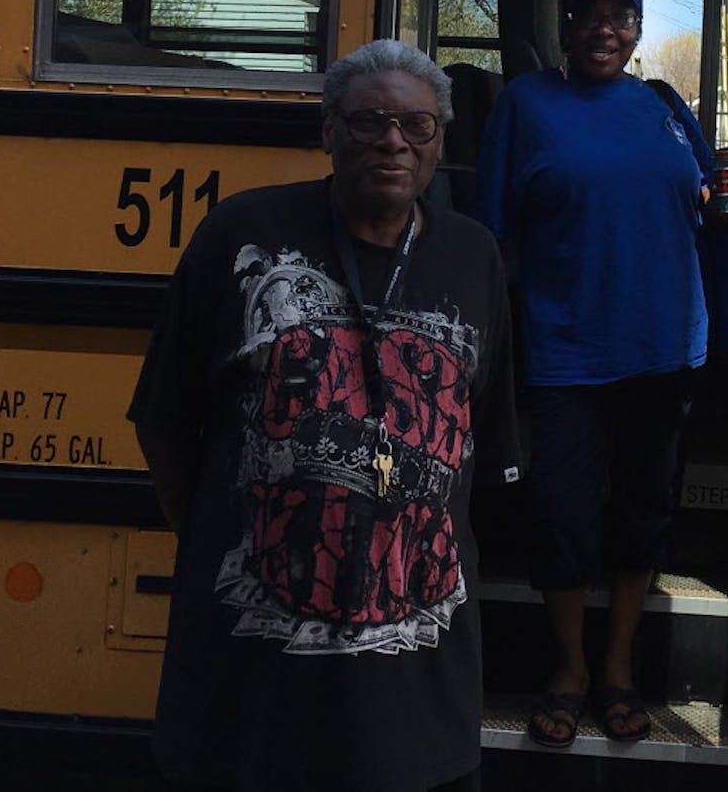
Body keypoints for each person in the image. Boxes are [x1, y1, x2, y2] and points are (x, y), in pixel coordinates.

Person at [128, 39, 521, 792]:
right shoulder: (239, 235)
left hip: (416, 694)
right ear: (329, 131)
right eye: (369, 120)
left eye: (418, 124)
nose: (393, 141)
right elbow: (164, 419)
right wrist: (226, 529)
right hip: (250, 693)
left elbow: (481, 445)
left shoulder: (474, 257)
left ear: (440, 140)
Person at [475, 0, 712, 747]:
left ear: (637, 30)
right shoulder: (527, 104)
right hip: (568, 350)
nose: (604, 28)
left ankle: (619, 665)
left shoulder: (664, 105)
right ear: (567, 28)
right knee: (564, 513)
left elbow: (712, 193)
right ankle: (570, 667)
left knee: (645, 511)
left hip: (664, 346)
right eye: (588, 14)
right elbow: (490, 232)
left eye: (620, 15)